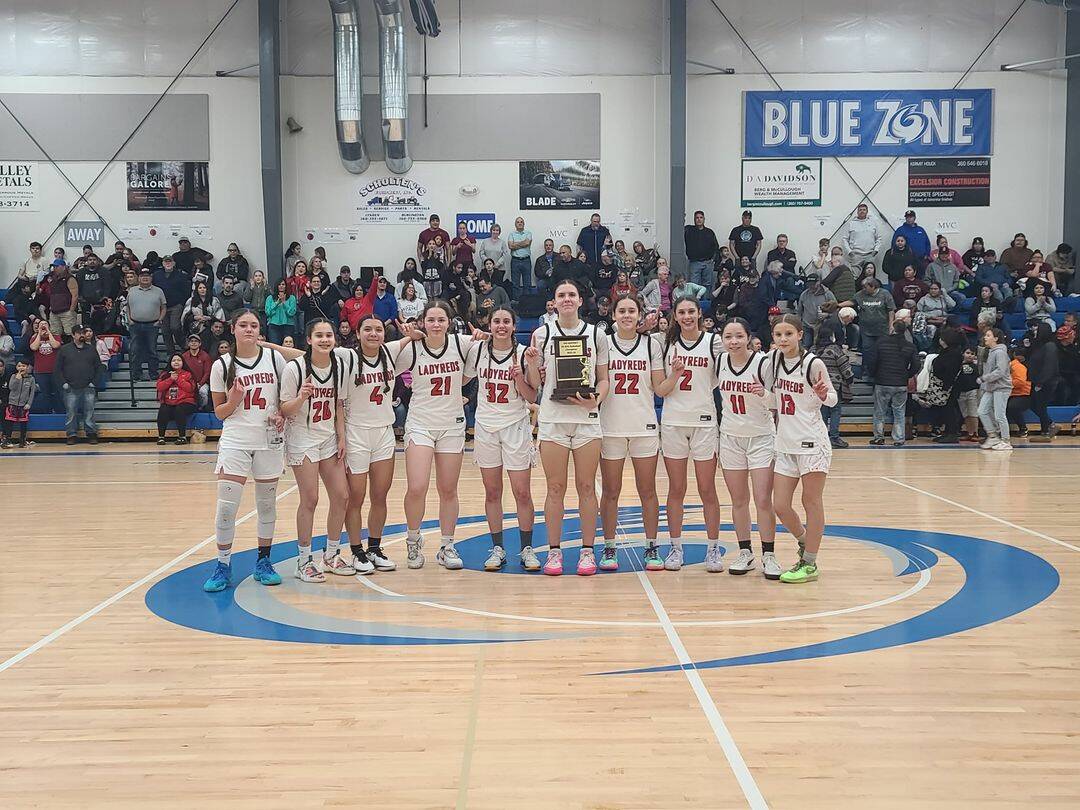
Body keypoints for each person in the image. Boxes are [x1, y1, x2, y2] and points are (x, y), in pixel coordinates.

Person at [525, 279, 610, 576]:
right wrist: (533, 363)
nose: (567, 299)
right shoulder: (541, 333)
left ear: (580, 299)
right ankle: (554, 552)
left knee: (587, 486)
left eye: (571, 294)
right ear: (554, 301)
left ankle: (587, 551)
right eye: (561, 295)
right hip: (552, 419)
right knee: (555, 488)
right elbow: (535, 385)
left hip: (586, 419)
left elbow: (603, 378)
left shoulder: (597, 334)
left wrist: (595, 400)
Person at [202, 310, 288, 592]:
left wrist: (281, 415)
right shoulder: (221, 365)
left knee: (266, 505)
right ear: (233, 329)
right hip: (236, 440)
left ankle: (264, 562)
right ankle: (223, 565)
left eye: (254, 325)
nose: (249, 329)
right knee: (226, 508)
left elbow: (304, 357)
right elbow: (219, 413)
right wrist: (234, 400)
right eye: (243, 325)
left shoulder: (274, 359)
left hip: (268, 439)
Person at [398, 302, 482, 571]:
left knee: (448, 489)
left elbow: (490, 345)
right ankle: (413, 540)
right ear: (422, 322)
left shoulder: (462, 343)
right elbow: (385, 364)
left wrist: (481, 336)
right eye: (431, 319)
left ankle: (447, 545)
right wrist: (404, 338)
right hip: (421, 423)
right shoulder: (413, 347)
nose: (436, 324)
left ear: (449, 322)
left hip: (451, 424)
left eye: (440, 320)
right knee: (417, 487)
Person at [275, 318, 356, 582]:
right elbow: (285, 409)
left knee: (342, 496)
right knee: (310, 499)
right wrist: (301, 397)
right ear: (308, 340)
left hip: (329, 437)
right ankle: (303, 560)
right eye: (318, 335)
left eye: (328, 335)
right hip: (303, 437)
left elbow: (340, 405)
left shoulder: (340, 366)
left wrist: (342, 438)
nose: (324, 340)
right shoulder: (295, 369)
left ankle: (331, 554)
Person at [653, 296, 723, 571]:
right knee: (676, 489)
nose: (686, 316)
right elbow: (660, 390)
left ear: (699, 313)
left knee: (707, 489)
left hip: (704, 422)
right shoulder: (665, 344)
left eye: (691, 311)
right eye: (681, 312)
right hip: (673, 422)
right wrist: (676, 375)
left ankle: (713, 549)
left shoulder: (713, 343)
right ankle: (675, 547)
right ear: (675, 316)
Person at [466, 308, 538, 570]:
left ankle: (527, 549)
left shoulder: (523, 354)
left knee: (521, 492)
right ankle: (497, 548)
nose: (501, 326)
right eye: (497, 321)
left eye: (506, 321)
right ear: (490, 324)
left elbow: (531, 397)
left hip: (515, 426)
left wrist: (520, 376)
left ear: (513, 325)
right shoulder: (477, 350)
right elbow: (462, 375)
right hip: (486, 427)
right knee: (493, 491)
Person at [769, 314, 837, 584]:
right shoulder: (773, 361)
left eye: (788, 334)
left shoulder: (813, 363)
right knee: (781, 506)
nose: (783, 339)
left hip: (812, 443)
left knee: (811, 502)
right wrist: (759, 394)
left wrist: (823, 395)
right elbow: (775, 399)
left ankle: (809, 563)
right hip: (785, 443)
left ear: (800, 334)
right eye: (778, 335)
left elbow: (832, 398)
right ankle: (805, 542)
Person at [598, 294, 663, 571]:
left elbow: (659, 387)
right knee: (611, 491)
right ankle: (609, 547)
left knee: (647, 490)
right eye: (621, 311)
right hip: (610, 426)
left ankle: (651, 545)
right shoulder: (603, 344)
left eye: (631, 311)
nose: (626, 315)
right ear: (613, 316)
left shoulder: (652, 345)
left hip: (644, 426)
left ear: (639, 316)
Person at [716, 317, 780, 577]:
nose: (733, 341)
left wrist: (763, 394)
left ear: (748, 338)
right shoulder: (719, 362)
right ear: (722, 340)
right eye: (729, 337)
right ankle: (745, 552)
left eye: (738, 336)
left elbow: (778, 401)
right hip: (730, 437)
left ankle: (769, 554)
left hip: (761, 437)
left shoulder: (763, 363)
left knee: (763, 500)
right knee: (738, 500)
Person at [871, 319, 918, 446]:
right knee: (899, 412)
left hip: (882, 381)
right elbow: (916, 365)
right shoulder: (910, 346)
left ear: (893, 328)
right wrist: (906, 375)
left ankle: (879, 437)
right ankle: (899, 438)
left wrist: (874, 375)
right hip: (901, 383)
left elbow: (873, 361)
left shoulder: (881, 343)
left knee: (880, 411)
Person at [54, 325, 103, 444]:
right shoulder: (64, 349)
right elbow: (57, 369)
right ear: (73, 335)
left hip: (88, 386)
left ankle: (91, 433)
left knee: (89, 411)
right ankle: (71, 434)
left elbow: (99, 367)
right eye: (79, 333)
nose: (82, 335)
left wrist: (94, 382)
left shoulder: (91, 349)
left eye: (83, 332)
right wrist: (63, 383)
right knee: (71, 412)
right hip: (70, 387)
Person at [124, 267, 167, 381]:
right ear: (139, 278)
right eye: (143, 276)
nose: (145, 278)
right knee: (135, 350)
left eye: (147, 276)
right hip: (135, 325)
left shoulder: (159, 291)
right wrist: (129, 319)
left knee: (152, 350)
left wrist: (160, 320)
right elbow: (127, 306)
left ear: (151, 278)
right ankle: (136, 374)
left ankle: (153, 374)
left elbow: (163, 307)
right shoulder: (131, 290)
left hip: (152, 325)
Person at [813, 327, 853, 449]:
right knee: (835, 411)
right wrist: (849, 378)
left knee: (822, 412)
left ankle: (822, 436)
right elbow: (845, 368)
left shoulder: (813, 350)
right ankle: (834, 437)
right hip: (835, 385)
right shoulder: (835, 349)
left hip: (817, 386)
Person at [977, 328, 1014, 451]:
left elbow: (1000, 371)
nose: (985, 337)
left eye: (988, 335)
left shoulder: (1000, 352)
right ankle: (993, 436)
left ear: (996, 338)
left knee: (999, 415)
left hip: (1002, 387)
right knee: (982, 411)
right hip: (991, 387)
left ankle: (1006, 441)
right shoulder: (991, 351)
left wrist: (984, 378)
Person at [853, 277, 895, 380]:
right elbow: (852, 302)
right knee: (867, 351)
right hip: (866, 330)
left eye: (865, 287)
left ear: (873, 286)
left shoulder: (885, 294)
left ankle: (882, 373)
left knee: (882, 351)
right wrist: (837, 305)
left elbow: (891, 310)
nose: (863, 289)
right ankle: (867, 373)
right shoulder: (860, 294)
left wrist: (891, 325)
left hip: (882, 329)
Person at [1027, 321, 1060, 439]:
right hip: (1038, 381)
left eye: (1037, 330)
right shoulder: (1039, 345)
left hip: (1046, 382)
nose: (1034, 332)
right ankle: (1047, 428)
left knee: (1040, 405)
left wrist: (1041, 382)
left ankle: (1048, 428)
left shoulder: (1050, 346)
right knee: (1035, 404)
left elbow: (1049, 367)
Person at [152, 254, 192, 354]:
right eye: (166, 261)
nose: (168, 263)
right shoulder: (156, 275)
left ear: (174, 263)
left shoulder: (181, 275)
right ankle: (171, 353)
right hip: (162, 307)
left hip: (176, 306)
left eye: (170, 261)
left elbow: (186, 291)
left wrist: (182, 303)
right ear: (162, 263)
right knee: (165, 331)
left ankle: (184, 345)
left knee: (175, 327)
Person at [155, 352, 197, 444]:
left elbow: (190, 388)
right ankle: (161, 437)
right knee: (163, 409)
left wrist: (177, 379)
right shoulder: (165, 374)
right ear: (170, 362)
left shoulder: (188, 374)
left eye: (179, 360)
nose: (176, 362)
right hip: (169, 402)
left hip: (186, 402)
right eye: (174, 360)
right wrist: (170, 379)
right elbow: (159, 387)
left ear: (183, 362)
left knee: (179, 409)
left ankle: (182, 437)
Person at [2, 359, 36, 448]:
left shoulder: (31, 379)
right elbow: (11, 387)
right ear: (17, 367)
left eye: (24, 366)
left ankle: (22, 440)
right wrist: (17, 379)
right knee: (9, 422)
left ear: (28, 367)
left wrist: (29, 403)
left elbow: (32, 393)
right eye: (20, 366)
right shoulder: (13, 376)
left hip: (23, 405)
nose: (21, 367)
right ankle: (7, 440)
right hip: (12, 403)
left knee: (23, 423)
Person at [795, 273, 836, 347]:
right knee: (806, 346)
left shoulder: (828, 294)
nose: (811, 286)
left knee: (821, 347)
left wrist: (827, 315)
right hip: (806, 325)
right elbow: (799, 311)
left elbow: (836, 309)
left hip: (823, 326)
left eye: (813, 284)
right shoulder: (804, 294)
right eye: (809, 284)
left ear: (819, 282)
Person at [29, 320, 61, 414]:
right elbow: (34, 347)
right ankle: (47, 412)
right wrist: (39, 334)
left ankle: (59, 412)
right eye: (41, 324)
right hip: (40, 371)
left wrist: (49, 332)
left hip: (55, 371)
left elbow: (55, 345)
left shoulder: (56, 336)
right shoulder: (34, 338)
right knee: (45, 393)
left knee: (57, 393)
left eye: (45, 324)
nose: (43, 325)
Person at [684, 210, 719, 289]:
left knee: (707, 284)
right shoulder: (688, 230)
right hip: (694, 262)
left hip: (707, 263)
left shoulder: (709, 232)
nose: (699, 219)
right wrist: (683, 216)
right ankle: (694, 301)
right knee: (693, 284)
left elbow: (716, 247)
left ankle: (705, 301)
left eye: (701, 217)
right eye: (697, 218)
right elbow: (679, 226)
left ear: (704, 219)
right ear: (694, 219)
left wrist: (713, 260)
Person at [843, 203, 882, 273]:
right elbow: (845, 239)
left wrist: (876, 250)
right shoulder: (851, 223)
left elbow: (879, 238)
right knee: (855, 276)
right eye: (860, 210)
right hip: (856, 255)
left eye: (864, 210)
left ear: (867, 212)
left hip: (870, 255)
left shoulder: (873, 223)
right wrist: (849, 251)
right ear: (857, 212)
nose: (862, 211)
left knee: (869, 277)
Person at [46, 260, 79, 338]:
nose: (55, 268)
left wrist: (71, 310)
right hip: (54, 311)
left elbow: (75, 295)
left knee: (70, 334)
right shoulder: (53, 279)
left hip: (66, 311)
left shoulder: (70, 278)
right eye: (54, 267)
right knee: (55, 334)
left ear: (64, 267)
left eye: (57, 266)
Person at [956, 347, 982, 441]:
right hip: (961, 392)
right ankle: (969, 432)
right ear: (963, 354)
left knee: (973, 412)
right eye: (967, 353)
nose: (970, 355)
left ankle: (975, 433)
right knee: (965, 414)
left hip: (973, 391)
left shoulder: (976, 366)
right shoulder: (958, 365)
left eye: (972, 353)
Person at [182, 333, 213, 409]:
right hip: (188, 382)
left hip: (202, 382)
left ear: (200, 344)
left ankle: (202, 408)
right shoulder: (184, 356)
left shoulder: (205, 356)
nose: (193, 343)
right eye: (191, 341)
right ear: (188, 344)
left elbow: (207, 372)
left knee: (203, 392)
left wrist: (200, 384)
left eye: (196, 341)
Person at [1006, 349, 1032, 438]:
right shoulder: (1004, 367)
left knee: (1012, 406)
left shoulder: (1017, 366)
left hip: (1023, 395)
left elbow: (1020, 382)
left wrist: (1005, 384)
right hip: (1011, 394)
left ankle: (1023, 428)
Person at [264, 279, 297, 345]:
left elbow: (291, 313)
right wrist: (276, 303)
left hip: (288, 325)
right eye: (279, 284)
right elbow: (268, 312)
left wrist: (284, 302)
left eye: (283, 284)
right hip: (274, 325)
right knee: (275, 346)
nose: (281, 286)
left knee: (288, 346)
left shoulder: (291, 298)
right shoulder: (270, 298)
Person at [506, 217, 533, 295]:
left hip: (526, 260)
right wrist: (522, 243)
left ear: (524, 224)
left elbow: (527, 243)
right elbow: (511, 246)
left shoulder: (528, 233)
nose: (520, 223)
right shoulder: (512, 234)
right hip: (515, 261)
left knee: (527, 283)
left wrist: (515, 244)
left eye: (521, 222)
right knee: (515, 284)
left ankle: (527, 302)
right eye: (518, 222)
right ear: (515, 224)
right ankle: (516, 303)